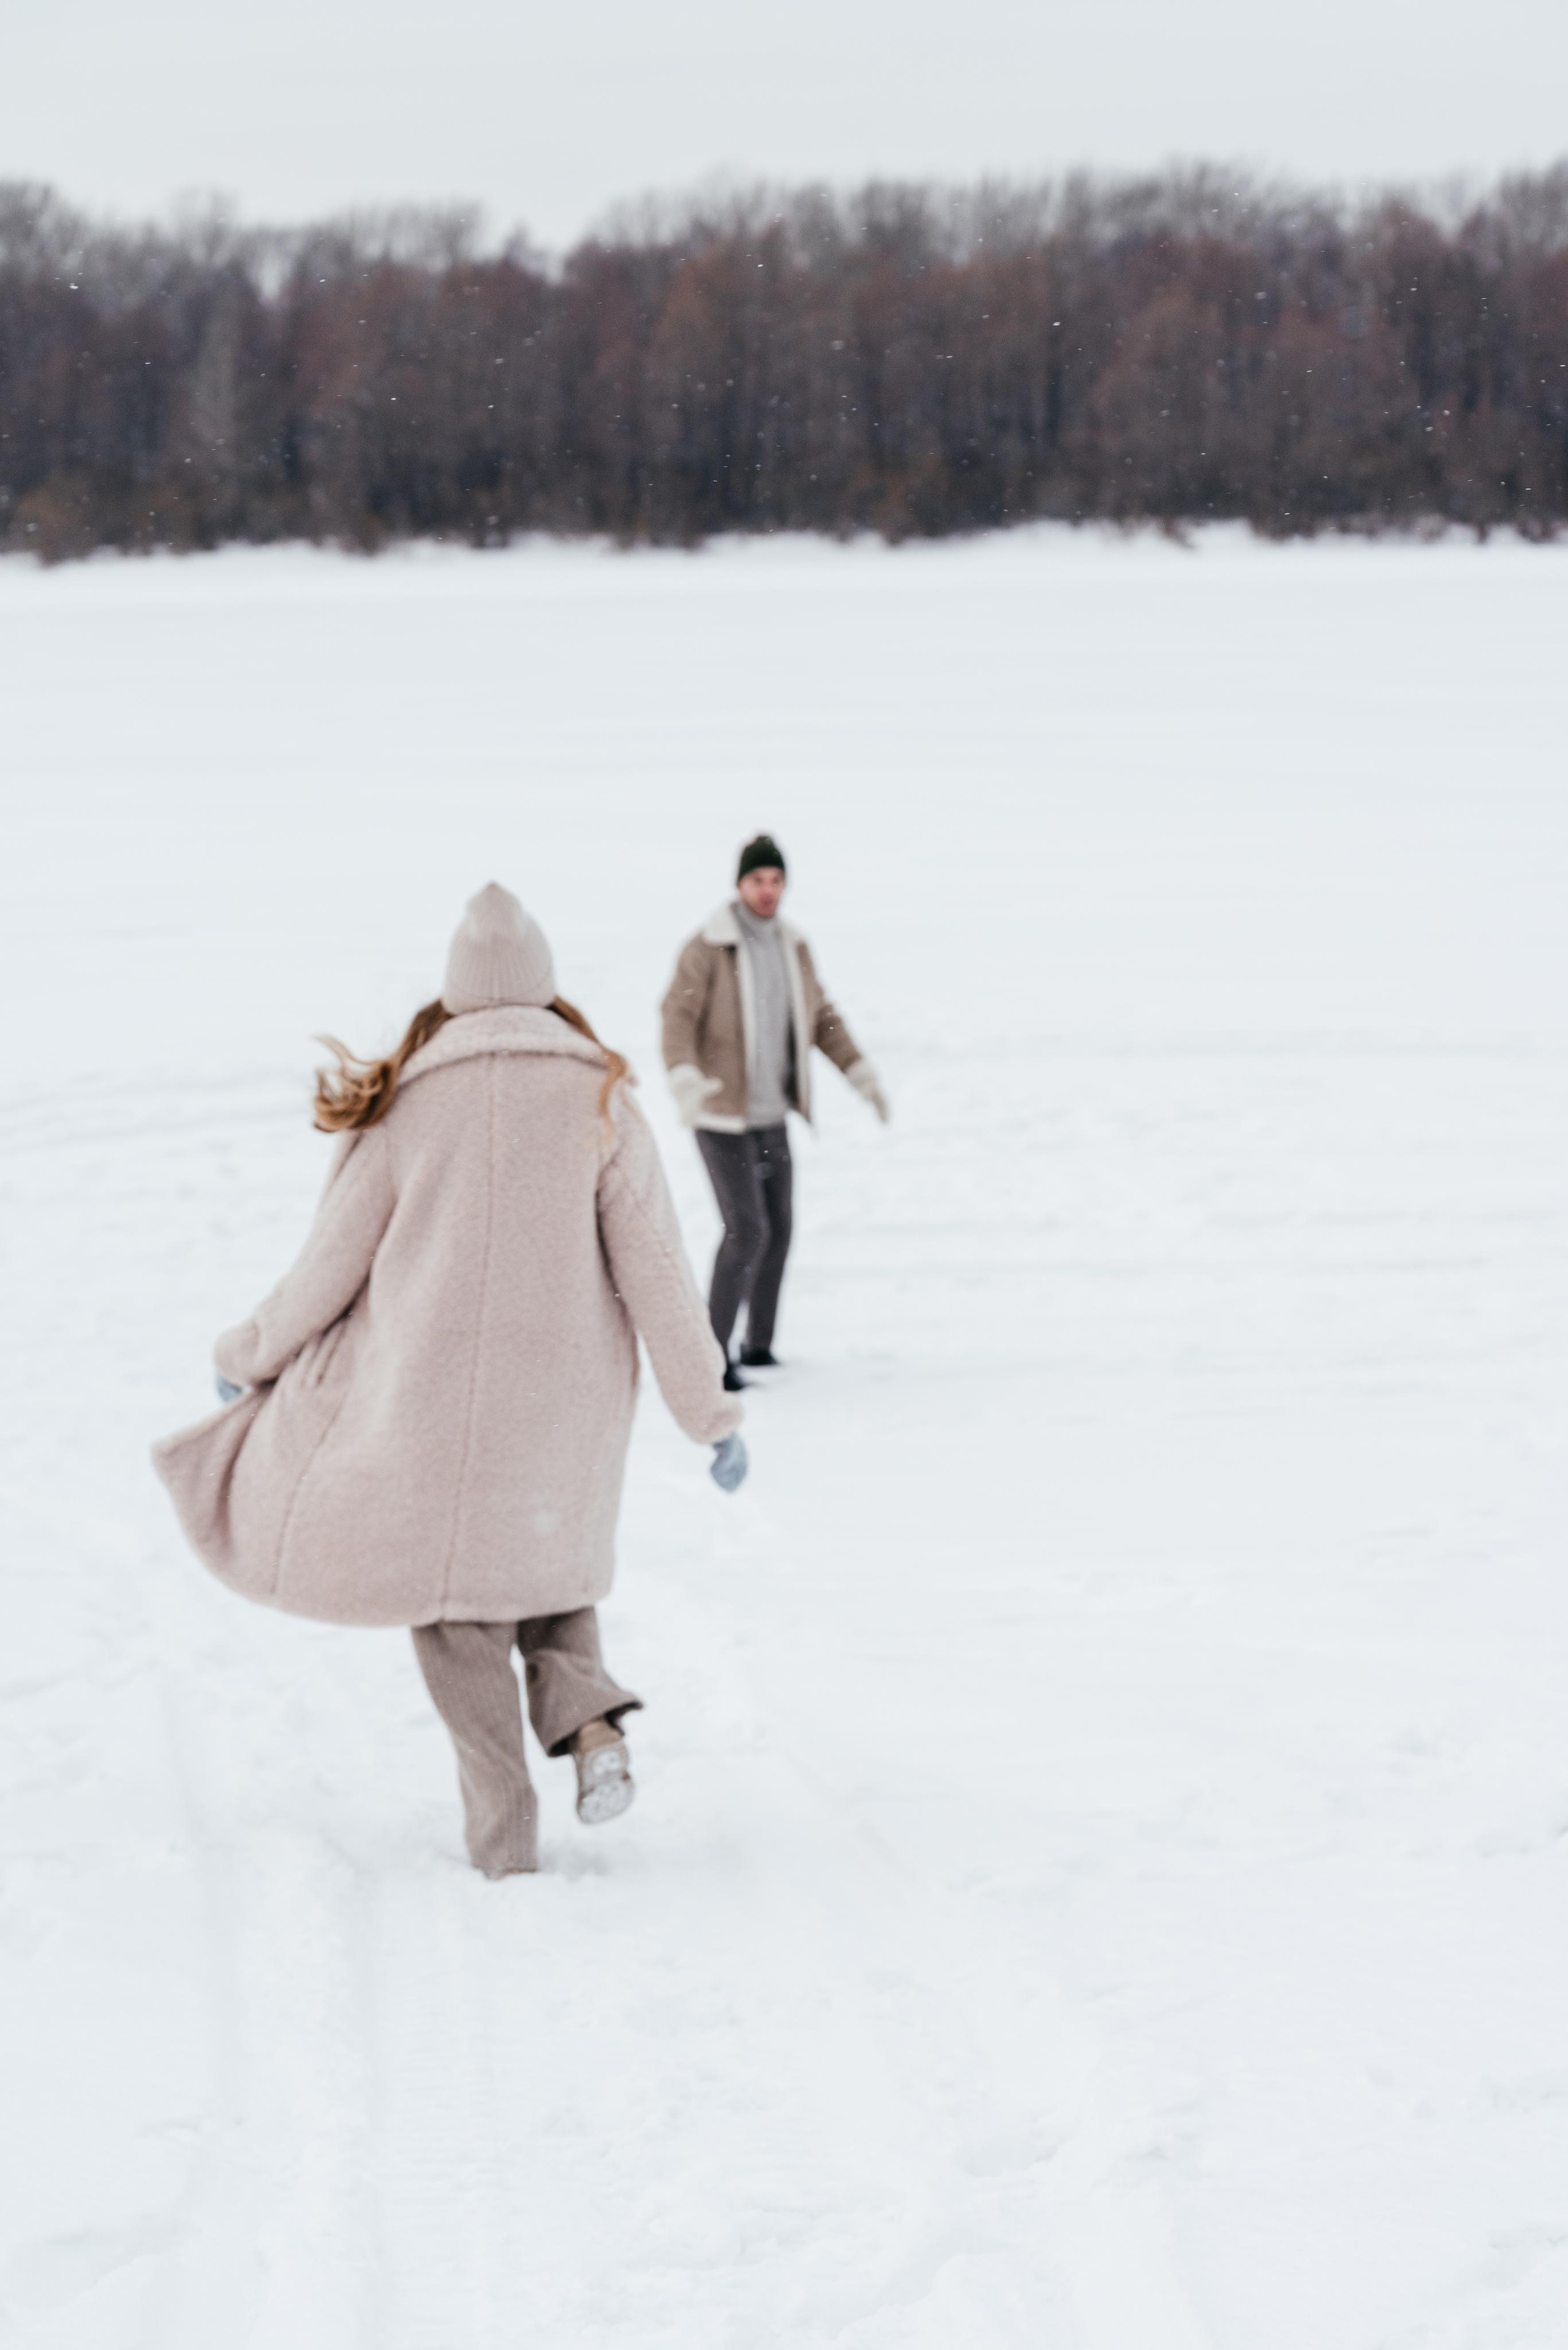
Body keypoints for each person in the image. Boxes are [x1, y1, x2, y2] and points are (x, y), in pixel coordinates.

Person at [153, 883, 747, 1879]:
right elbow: (659, 1272)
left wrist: (246, 1355)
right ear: (547, 987)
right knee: (552, 1581)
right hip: (561, 1419)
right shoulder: (602, 1096)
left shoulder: (410, 1103)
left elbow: (326, 1269)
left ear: (455, 994)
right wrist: (709, 1413)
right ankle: (594, 1727)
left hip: (428, 1419)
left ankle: (504, 1837)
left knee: (461, 1614)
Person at [660, 834, 889, 1389]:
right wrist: (685, 1077)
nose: (767, 891)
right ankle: (712, 1358)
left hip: (770, 1113)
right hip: (720, 1113)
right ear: (740, 885)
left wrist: (858, 1071)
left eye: (776, 881)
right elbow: (677, 1017)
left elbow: (821, 1019)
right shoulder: (709, 946)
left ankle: (758, 1345)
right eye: (758, 880)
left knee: (779, 1229)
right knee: (746, 1229)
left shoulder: (793, 946)